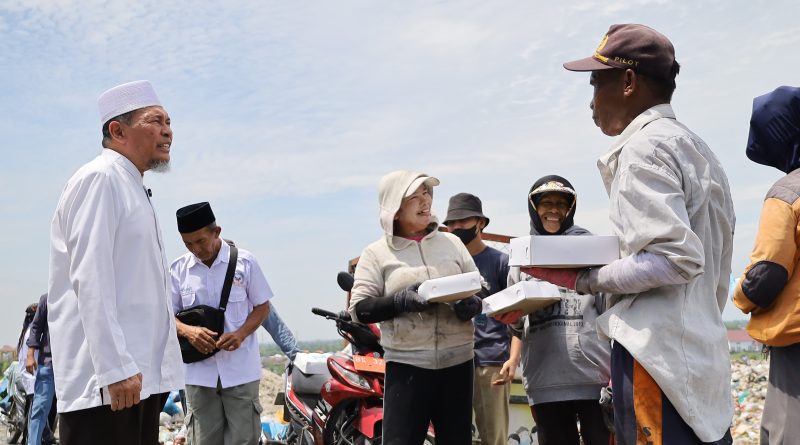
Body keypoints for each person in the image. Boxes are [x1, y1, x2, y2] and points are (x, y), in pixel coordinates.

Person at [526, 24, 736, 444]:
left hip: (655, 360)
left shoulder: (643, 148)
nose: (591, 102)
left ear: (627, 81)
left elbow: (673, 259)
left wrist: (585, 279)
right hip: (698, 356)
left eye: (595, 83)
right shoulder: (699, 150)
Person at [47, 80, 184, 445]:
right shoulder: (100, 178)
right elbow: (91, 278)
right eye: (155, 121)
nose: (167, 131)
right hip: (107, 387)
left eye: (169, 122)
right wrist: (114, 367)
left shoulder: (133, 186)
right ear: (118, 130)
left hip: (136, 380)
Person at [348, 170, 483, 444]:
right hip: (407, 366)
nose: (426, 201)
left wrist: (473, 304)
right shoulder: (376, 254)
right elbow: (360, 309)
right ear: (395, 209)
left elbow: (478, 286)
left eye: (427, 193)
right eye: (415, 196)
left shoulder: (452, 243)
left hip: (458, 362)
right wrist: (398, 302)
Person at [501, 176, 610, 445]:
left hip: (593, 378)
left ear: (571, 209)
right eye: (546, 203)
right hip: (545, 381)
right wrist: (510, 316)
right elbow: (516, 323)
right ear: (533, 208)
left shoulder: (591, 247)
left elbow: (608, 308)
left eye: (562, 204)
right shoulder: (522, 256)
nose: (554, 210)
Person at [170, 202, 271, 445]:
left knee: (244, 440)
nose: (196, 249)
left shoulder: (245, 263)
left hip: (240, 372)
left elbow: (263, 307)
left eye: (200, 241)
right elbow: (166, 317)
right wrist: (189, 331)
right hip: (198, 376)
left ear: (216, 232)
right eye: (188, 244)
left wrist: (240, 334)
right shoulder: (178, 270)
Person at [732, 85, 800, 444]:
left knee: (788, 433)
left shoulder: (787, 193)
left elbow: (767, 274)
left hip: (796, 348)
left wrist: (739, 296)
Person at [443, 192, 519, 445]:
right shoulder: (446, 265)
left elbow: (518, 316)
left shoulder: (500, 262)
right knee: (452, 435)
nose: (457, 227)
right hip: (452, 360)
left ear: (480, 223)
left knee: (493, 437)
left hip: (491, 360)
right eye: (452, 223)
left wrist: (513, 359)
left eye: (463, 221)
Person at [25, 293, 58, 445]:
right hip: (48, 364)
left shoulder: (78, 295)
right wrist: (30, 355)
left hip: (73, 366)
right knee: (40, 409)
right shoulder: (47, 299)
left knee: (76, 411)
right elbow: (36, 327)